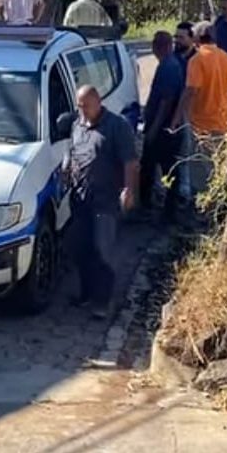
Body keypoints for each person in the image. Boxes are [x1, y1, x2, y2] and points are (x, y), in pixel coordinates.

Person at [63, 85, 139, 320]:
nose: (81, 110)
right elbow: (73, 150)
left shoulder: (117, 127)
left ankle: (103, 303)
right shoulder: (78, 124)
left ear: (98, 102)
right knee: (79, 249)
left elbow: (131, 162)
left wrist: (128, 190)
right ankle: (85, 294)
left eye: (85, 105)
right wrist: (66, 167)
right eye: (79, 105)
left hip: (105, 201)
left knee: (102, 251)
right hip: (80, 198)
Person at [171, 22, 227, 194]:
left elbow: (190, 91)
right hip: (224, 123)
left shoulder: (197, 60)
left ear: (196, 38)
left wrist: (176, 118)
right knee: (219, 170)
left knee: (201, 173)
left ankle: (202, 215)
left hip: (202, 126)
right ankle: (218, 210)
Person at [139, 32, 184, 218]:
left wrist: (154, 129)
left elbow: (166, 101)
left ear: (159, 47)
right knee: (157, 167)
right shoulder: (170, 64)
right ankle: (159, 207)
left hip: (163, 128)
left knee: (160, 167)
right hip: (164, 126)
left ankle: (164, 210)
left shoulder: (169, 67)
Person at [171, 21, 198, 208]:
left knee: (189, 155)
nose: (177, 41)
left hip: (192, 115)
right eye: (176, 37)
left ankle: (189, 196)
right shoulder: (174, 57)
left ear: (192, 38)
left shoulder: (196, 60)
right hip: (176, 112)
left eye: (181, 37)